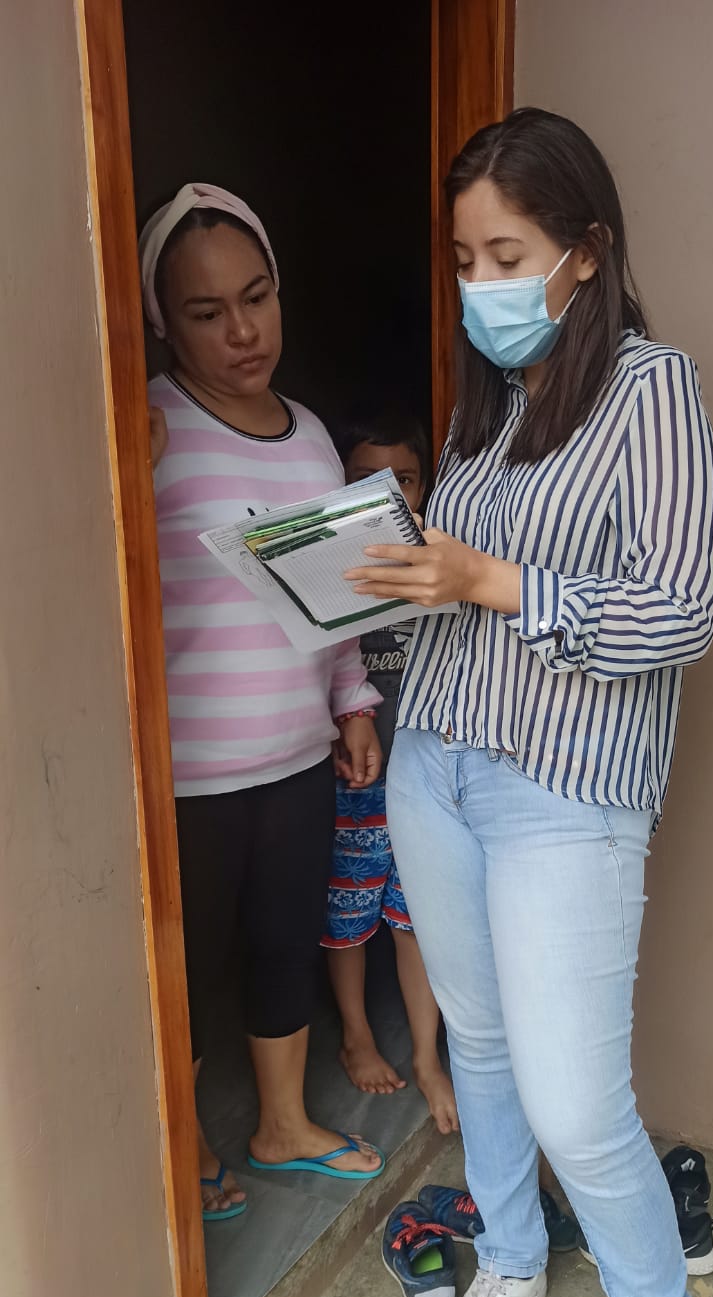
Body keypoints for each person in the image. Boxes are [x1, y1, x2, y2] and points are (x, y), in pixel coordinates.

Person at [346, 108, 713, 1297]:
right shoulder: (491, 405)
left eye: (505, 255)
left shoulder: (650, 389)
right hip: (436, 761)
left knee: (575, 1101)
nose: (480, 283)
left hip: (565, 786)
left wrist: (491, 580)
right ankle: (508, 1256)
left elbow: (678, 610)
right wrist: (378, 578)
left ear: (585, 250)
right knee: (486, 1047)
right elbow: (457, 590)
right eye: (464, 259)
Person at [140, 182, 385, 1219]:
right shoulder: (147, 425)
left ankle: (281, 1123)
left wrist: (354, 702)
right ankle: (184, 1147)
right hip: (184, 774)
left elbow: (335, 594)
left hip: (294, 755)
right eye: (206, 312)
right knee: (190, 969)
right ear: (163, 320)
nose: (242, 332)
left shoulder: (312, 436)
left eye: (256, 297)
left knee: (285, 940)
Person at [321, 414, 459, 1135]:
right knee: (348, 914)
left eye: (401, 480)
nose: (384, 496)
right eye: (363, 481)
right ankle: (356, 1034)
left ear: (425, 486)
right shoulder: (328, 575)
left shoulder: (443, 567)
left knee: (416, 919)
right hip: (353, 780)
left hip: (426, 780)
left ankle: (428, 1058)